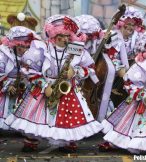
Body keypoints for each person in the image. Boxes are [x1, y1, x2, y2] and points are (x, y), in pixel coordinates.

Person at [5, 14, 103, 152]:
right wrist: (44, 85)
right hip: (45, 88)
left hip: (67, 89)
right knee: (36, 115)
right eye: (60, 37)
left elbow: (90, 69)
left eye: (67, 36)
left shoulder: (75, 49)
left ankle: (68, 141)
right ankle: (31, 141)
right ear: (52, 36)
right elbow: (30, 70)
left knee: (68, 118)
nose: (64, 40)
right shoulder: (42, 48)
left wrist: (75, 72)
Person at [0, 26, 38, 130]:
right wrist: (7, 85)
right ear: (14, 45)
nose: (25, 50)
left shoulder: (31, 55)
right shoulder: (3, 55)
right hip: (7, 87)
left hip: (24, 86)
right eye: (21, 47)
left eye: (27, 47)